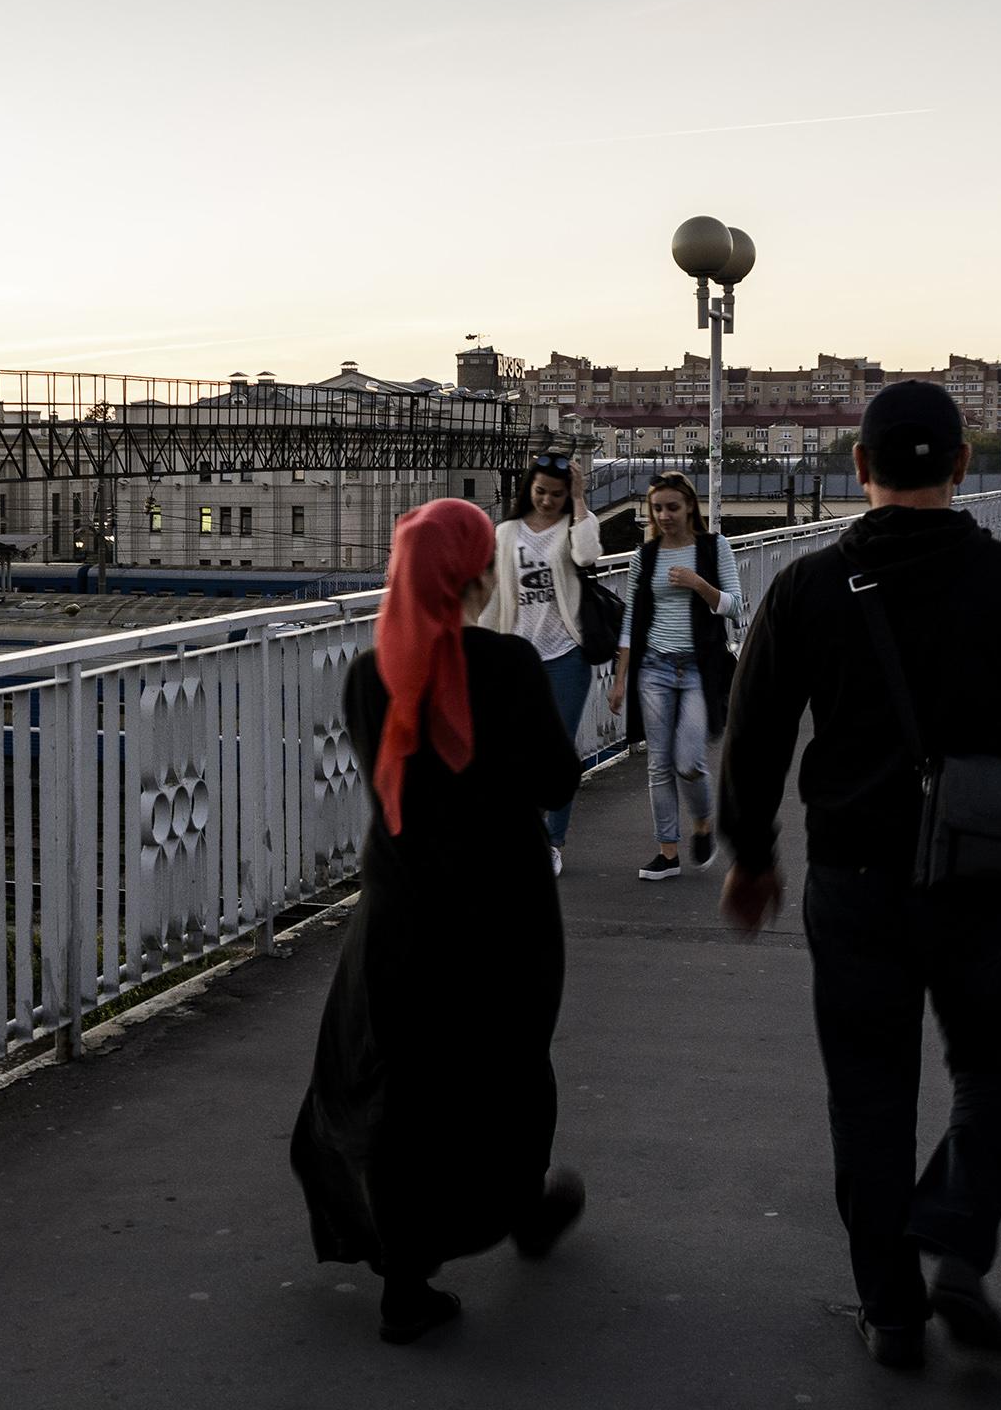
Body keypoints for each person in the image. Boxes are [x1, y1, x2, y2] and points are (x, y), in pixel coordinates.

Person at [717, 380, 1001, 1371]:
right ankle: (950, 1228)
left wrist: (748, 854)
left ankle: (889, 1312)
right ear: (957, 469)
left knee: (865, 1094)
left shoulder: (808, 589)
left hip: (850, 881)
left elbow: (755, 735)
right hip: (980, 881)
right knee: (998, 1060)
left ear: (857, 469)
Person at [290, 498, 585, 1346]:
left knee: (405, 1083)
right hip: (506, 910)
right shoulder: (510, 664)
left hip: (402, 911)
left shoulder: (366, 672)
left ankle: (406, 1284)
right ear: (479, 573)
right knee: (513, 1066)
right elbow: (557, 783)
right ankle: (521, 1209)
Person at [604, 472, 742, 880]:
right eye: (658, 508)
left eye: (672, 507)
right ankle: (667, 853)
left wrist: (699, 584)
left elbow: (735, 605)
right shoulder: (643, 558)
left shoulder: (714, 548)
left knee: (688, 762)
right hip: (654, 669)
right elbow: (631, 619)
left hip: (699, 668)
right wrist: (619, 678)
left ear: (689, 508)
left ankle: (703, 823)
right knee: (659, 764)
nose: (664, 515)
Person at [478, 450, 603, 875]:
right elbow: (496, 594)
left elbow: (587, 557)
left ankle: (553, 842)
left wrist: (581, 499)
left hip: (566, 655)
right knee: (516, 752)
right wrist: (484, 644)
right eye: (540, 492)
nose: (547, 500)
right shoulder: (506, 531)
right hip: (518, 658)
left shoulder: (575, 524)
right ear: (528, 489)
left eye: (556, 494)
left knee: (558, 753)